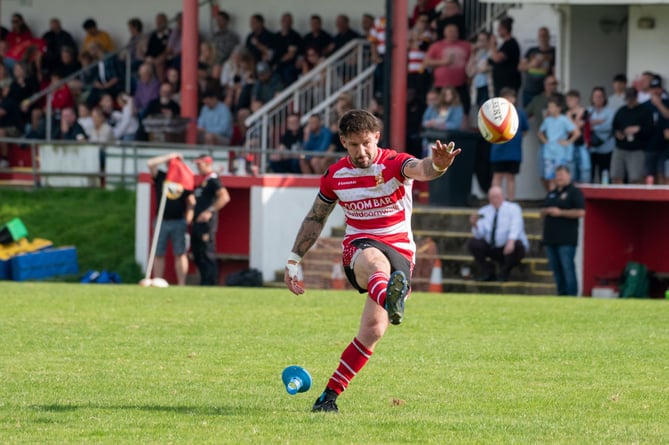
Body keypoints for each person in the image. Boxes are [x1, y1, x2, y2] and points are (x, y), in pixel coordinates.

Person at [284, 109, 461, 413]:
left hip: (401, 252)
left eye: (367, 143)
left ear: (376, 137)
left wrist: (440, 166)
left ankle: (328, 397)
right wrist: (293, 260)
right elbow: (315, 218)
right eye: (354, 145)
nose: (362, 151)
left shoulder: (393, 163)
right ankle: (391, 297)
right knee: (377, 264)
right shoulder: (335, 176)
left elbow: (422, 168)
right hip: (359, 247)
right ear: (343, 141)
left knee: (373, 331)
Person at [147, 152, 196, 286]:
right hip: (161, 220)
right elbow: (150, 164)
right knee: (158, 253)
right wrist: (169, 156)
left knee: (180, 253)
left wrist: (188, 218)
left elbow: (191, 201)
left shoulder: (183, 180)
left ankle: (181, 283)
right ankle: (157, 281)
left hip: (178, 221)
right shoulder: (162, 177)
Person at [468, 185, 528, 282]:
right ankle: (488, 271)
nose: (494, 200)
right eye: (492, 197)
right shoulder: (483, 211)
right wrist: (475, 225)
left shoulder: (513, 208)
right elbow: (480, 234)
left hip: (507, 246)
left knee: (518, 246)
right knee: (474, 244)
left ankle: (504, 272)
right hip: (492, 246)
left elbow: (516, 226)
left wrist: (511, 241)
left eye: (496, 196)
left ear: (502, 196)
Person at [540, 165, 585, 296]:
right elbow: (543, 209)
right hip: (550, 238)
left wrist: (560, 213)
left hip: (566, 239)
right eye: (557, 175)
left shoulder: (574, 192)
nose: (559, 178)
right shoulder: (552, 193)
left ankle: (571, 295)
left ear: (569, 176)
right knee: (556, 270)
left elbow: (581, 212)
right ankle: (561, 294)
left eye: (562, 175)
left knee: (567, 269)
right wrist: (545, 211)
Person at [192, 154, 231, 286]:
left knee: (207, 253)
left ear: (208, 164)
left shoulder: (213, 180)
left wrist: (209, 211)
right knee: (198, 254)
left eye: (200, 164)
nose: (197, 167)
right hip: (197, 223)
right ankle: (204, 282)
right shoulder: (204, 180)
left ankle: (210, 283)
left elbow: (224, 197)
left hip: (206, 225)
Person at [490, 88, 528, 201]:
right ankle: (495, 200)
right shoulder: (494, 114)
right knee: (497, 175)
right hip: (498, 151)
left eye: (511, 97)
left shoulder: (520, 113)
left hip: (514, 152)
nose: (509, 100)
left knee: (511, 177)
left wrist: (515, 137)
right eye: (506, 98)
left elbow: (525, 129)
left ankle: (510, 201)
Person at [611, 87, 653, 184]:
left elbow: (650, 129)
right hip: (620, 147)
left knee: (635, 178)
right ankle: (617, 197)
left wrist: (638, 129)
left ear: (636, 97)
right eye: (627, 99)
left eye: (631, 99)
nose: (629, 101)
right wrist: (617, 133)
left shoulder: (644, 111)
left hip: (636, 149)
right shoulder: (621, 111)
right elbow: (614, 126)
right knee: (616, 175)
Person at [539, 94, 580, 191]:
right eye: (549, 107)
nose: (550, 109)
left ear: (559, 108)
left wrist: (568, 141)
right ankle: (552, 198)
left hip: (560, 154)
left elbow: (577, 133)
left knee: (562, 178)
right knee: (550, 178)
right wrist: (545, 141)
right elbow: (540, 133)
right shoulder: (547, 120)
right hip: (549, 154)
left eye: (552, 107)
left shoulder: (564, 120)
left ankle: (562, 200)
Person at [518, 26, 555, 107]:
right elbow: (520, 67)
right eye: (540, 36)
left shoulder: (553, 51)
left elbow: (555, 71)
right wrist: (532, 64)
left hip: (544, 92)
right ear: (538, 37)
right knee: (527, 114)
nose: (543, 38)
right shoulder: (531, 50)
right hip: (529, 89)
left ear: (549, 37)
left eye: (545, 36)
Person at [587, 86, 616, 183]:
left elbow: (608, 126)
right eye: (596, 96)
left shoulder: (610, 111)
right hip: (591, 148)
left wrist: (592, 125)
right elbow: (584, 126)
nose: (598, 99)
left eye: (600, 96)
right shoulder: (588, 111)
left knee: (604, 175)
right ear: (592, 98)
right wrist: (597, 122)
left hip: (606, 149)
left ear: (604, 98)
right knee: (589, 174)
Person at [488, 17, 521, 97]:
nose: (498, 31)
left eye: (499, 29)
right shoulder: (504, 44)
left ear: (504, 29)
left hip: (508, 83)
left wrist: (492, 45)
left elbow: (497, 58)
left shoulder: (511, 44)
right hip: (500, 83)